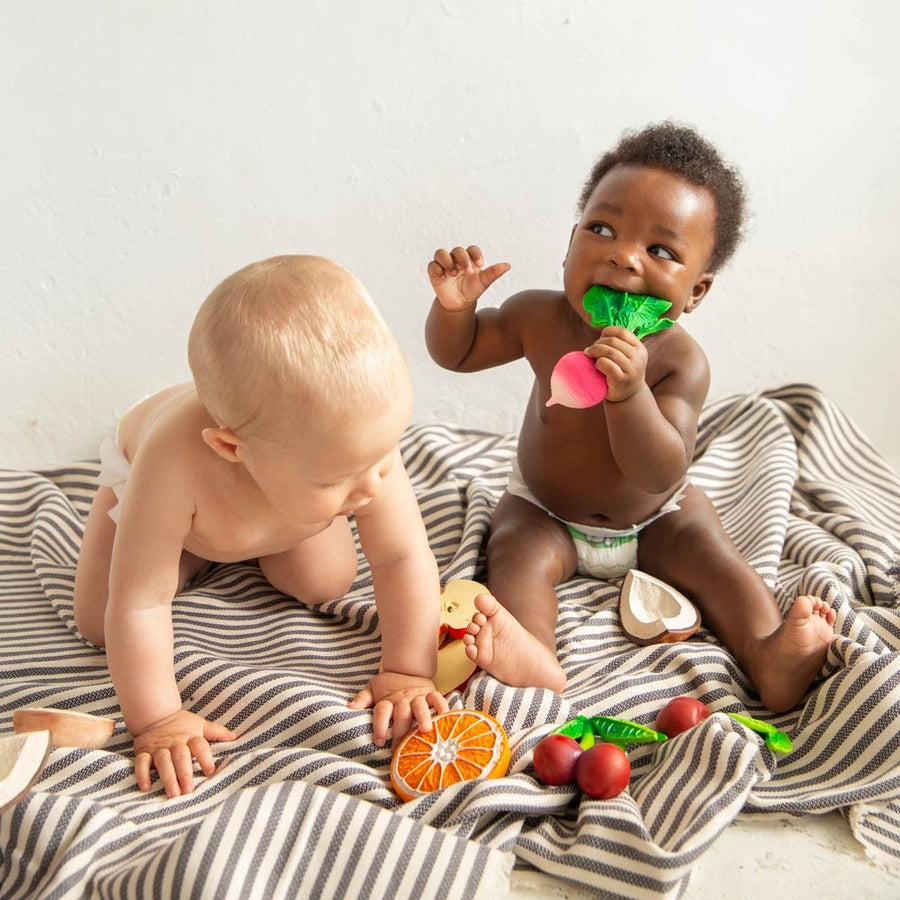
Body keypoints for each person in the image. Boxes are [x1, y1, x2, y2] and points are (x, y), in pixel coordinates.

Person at [425, 122, 835, 713]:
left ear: (696, 291)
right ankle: (532, 650)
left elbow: (659, 470)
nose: (623, 255)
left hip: (657, 517)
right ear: (570, 243)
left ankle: (771, 653)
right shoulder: (536, 318)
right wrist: (454, 311)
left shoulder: (681, 362)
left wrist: (630, 394)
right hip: (547, 510)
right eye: (602, 229)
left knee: (716, 558)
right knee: (513, 552)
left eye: (661, 251)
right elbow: (457, 354)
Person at [74, 254, 448, 798]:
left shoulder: (354, 442)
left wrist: (409, 670)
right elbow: (140, 602)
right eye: (340, 477)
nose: (372, 486)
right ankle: (190, 545)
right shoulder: (169, 465)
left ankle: (238, 539)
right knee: (99, 620)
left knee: (326, 582)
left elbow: (402, 557)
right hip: (151, 493)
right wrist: (157, 720)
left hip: (275, 494)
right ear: (232, 448)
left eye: (384, 457)